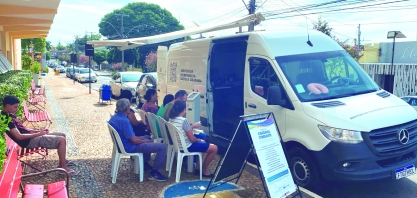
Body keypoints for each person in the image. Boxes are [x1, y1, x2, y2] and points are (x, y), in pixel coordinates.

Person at [1, 95, 76, 175]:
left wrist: (38, 131)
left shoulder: (9, 115)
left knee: (62, 135)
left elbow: (24, 130)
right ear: (8, 106)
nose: (17, 109)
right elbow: (19, 137)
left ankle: (63, 160)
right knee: (62, 140)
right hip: (28, 142)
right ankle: (62, 167)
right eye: (15, 107)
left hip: (31, 137)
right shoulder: (7, 120)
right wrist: (38, 134)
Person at [109, 98, 168, 181]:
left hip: (123, 144)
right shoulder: (124, 121)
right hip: (130, 147)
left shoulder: (115, 118)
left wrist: (145, 139)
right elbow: (134, 141)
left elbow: (131, 137)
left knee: (147, 137)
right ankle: (154, 172)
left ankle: (145, 163)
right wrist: (147, 141)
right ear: (127, 109)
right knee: (162, 146)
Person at [168, 100, 218, 177]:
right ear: (184, 109)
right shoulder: (183, 120)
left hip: (178, 145)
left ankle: (198, 167)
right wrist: (199, 140)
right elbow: (192, 139)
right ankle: (203, 170)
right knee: (214, 148)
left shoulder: (171, 119)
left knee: (201, 143)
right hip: (187, 146)